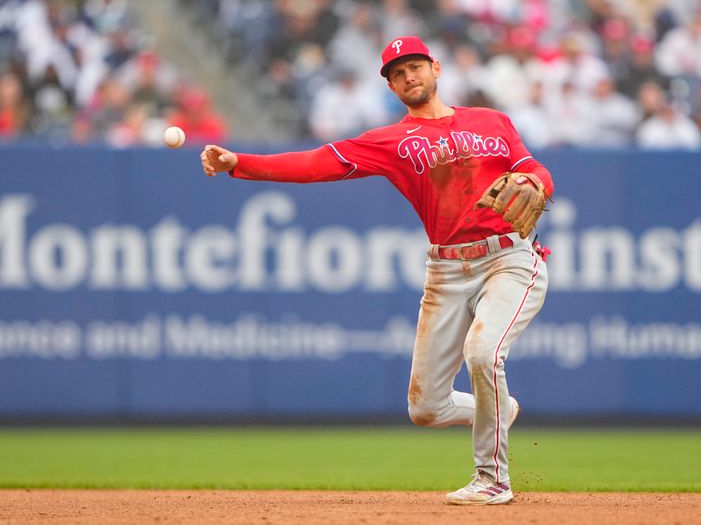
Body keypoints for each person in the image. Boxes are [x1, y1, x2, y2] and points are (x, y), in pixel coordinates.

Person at [200, 36, 554, 506]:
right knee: (426, 407)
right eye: (397, 73)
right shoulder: (390, 141)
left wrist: (534, 181)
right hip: (447, 270)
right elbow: (316, 163)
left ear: (436, 68)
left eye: (415, 66)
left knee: (483, 352)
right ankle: (498, 408)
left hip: (509, 258)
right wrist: (241, 162)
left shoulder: (491, 122)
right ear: (390, 86)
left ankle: (492, 479)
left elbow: (534, 170)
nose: (409, 76)